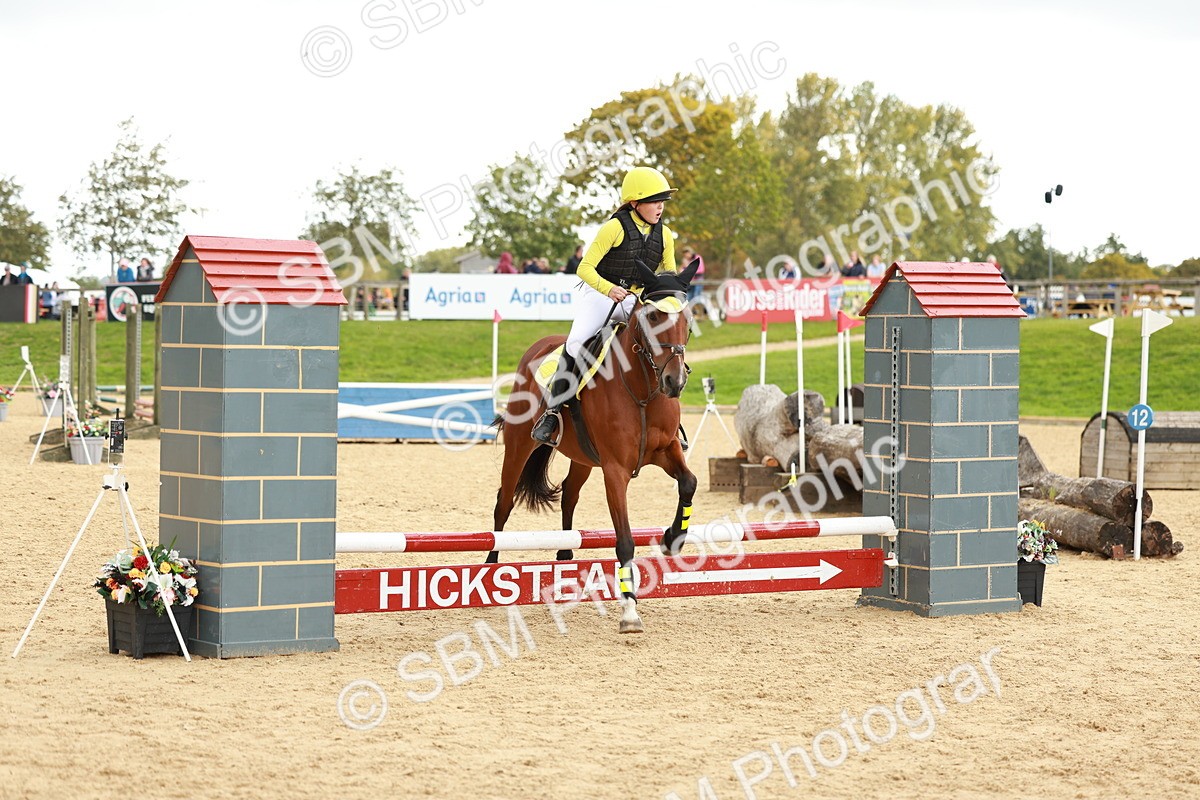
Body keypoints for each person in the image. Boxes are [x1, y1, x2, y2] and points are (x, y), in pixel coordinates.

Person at [531, 166, 678, 445]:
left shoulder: (666, 235)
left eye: (663, 201)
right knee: (577, 343)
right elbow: (584, 268)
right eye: (654, 201)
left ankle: (669, 422)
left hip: (635, 299)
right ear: (635, 203)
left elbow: (668, 273)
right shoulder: (614, 228)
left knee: (664, 342)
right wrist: (609, 289)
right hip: (601, 294)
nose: (660, 207)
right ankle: (552, 412)